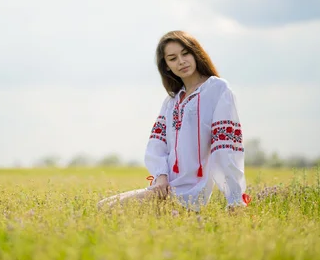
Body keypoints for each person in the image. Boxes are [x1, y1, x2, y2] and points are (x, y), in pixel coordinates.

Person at [97, 30, 249, 212]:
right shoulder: (172, 101)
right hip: (164, 188)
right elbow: (157, 144)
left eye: (185, 54)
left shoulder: (218, 89)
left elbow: (226, 148)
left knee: (107, 210)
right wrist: (160, 176)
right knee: (102, 206)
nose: (181, 61)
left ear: (196, 53)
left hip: (192, 192)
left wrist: (235, 199)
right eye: (173, 58)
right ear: (167, 66)